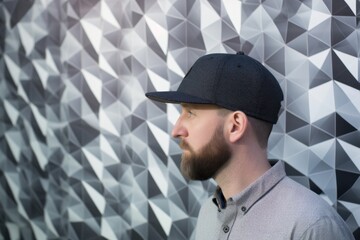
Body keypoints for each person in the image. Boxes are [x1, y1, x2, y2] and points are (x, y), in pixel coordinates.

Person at [145, 52, 355, 240]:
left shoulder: (311, 227)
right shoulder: (209, 213)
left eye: (190, 113)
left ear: (235, 126)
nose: (176, 130)